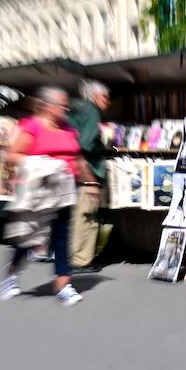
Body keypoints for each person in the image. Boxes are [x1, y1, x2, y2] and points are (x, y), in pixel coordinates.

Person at [0, 86, 83, 305]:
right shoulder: (32, 127)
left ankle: (63, 284)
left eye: (67, 105)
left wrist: (88, 181)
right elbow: (12, 156)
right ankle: (11, 272)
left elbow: (77, 157)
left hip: (64, 189)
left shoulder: (68, 128)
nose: (66, 108)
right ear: (47, 106)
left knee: (62, 235)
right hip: (39, 191)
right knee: (30, 237)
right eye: (62, 104)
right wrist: (46, 164)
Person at [66, 80, 110, 271]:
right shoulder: (92, 111)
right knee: (86, 216)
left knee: (77, 214)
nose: (108, 102)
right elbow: (86, 142)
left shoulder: (75, 110)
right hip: (88, 169)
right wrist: (101, 145)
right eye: (105, 97)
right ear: (95, 96)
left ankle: (72, 255)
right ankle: (81, 260)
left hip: (73, 170)